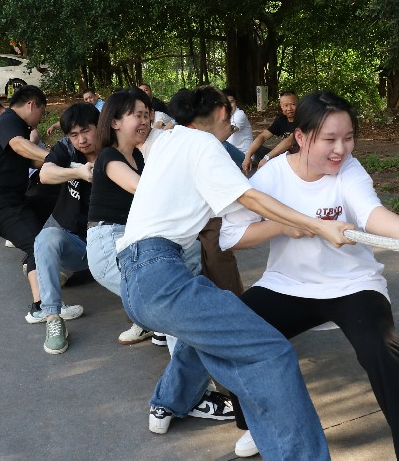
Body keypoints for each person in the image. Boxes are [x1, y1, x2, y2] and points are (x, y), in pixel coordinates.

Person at [115, 85, 355, 461]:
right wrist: (318, 224)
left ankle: (168, 402)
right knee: (271, 353)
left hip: (134, 279)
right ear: (223, 112)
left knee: (214, 331)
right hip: (160, 273)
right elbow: (250, 198)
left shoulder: (166, 139)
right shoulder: (204, 146)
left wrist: (286, 226)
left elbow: (157, 124)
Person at [219, 91, 399, 460]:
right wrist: (284, 226)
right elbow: (233, 237)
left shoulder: (349, 169)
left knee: (385, 354)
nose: (341, 149)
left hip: (352, 284)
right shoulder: (271, 176)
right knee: (232, 332)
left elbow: (371, 213)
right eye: (330, 139)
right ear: (302, 137)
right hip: (288, 284)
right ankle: (261, 424)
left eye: (348, 137)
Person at [30, 102, 102, 354]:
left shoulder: (117, 152)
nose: (81, 140)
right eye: (74, 134)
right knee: (46, 237)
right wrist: (80, 173)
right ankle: (52, 318)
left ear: (100, 127)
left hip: (111, 241)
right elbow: (46, 174)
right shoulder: (67, 150)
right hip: (76, 244)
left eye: (86, 131)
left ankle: (147, 320)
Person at [85, 88, 153, 344]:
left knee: (152, 293)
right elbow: (141, 188)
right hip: (107, 243)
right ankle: (152, 322)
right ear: (114, 122)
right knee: (155, 297)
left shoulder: (136, 155)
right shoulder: (108, 155)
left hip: (129, 237)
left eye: (147, 114)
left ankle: (145, 321)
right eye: (137, 115)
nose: (145, 120)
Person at [0, 85, 51, 312]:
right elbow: (20, 146)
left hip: (13, 201)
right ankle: (42, 307)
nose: (41, 117)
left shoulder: (14, 126)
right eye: (42, 111)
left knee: (51, 199)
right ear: (31, 105)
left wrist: (63, 162)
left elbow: (32, 161)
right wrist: (56, 157)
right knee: (39, 245)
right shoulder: (9, 121)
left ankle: (41, 270)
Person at [241, 90, 297, 174]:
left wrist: (267, 158)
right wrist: (248, 156)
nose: (289, 108)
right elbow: (262, 136)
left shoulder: (303, 119)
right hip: (282, 158)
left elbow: (289, 141)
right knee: (258, 149)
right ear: (281, 106)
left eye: (293, 104)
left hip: (298, 158)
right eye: (285, 105)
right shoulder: (281, 120)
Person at [223, 88, 253, 155]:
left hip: (244, 156)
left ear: (235, 102)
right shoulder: (222, 115)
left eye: (231, 102)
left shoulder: (239, 114)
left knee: (223, 145)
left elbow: (230, 131)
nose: (229, 106)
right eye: (226, 103)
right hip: (230, 154)